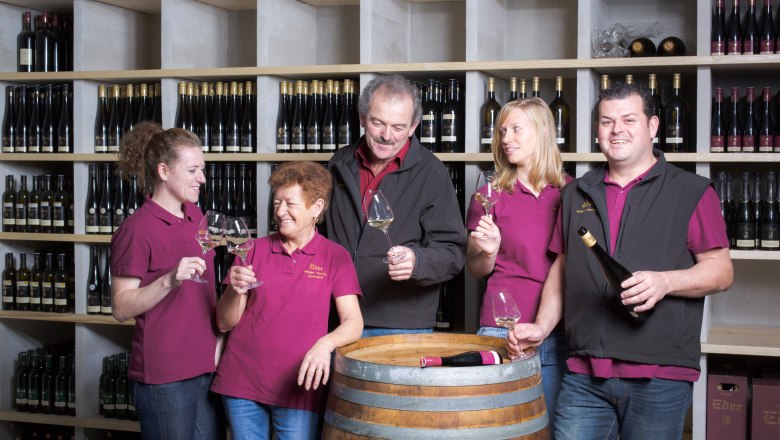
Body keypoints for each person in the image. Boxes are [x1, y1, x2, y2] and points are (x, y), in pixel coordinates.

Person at [508, 82, 734, 439]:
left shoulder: (691, 191)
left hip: (659, 376)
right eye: (606, 121)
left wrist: (665, 282)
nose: (617, 130)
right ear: (597, 130)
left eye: (629, 120)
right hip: (585, 373)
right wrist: (542, 326)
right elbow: (563, 266)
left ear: (653, 126)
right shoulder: (575, 192)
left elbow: (721, 271)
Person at [211, 161, 363, 440]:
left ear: (316, 208)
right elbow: (223, 322)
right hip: (241, 382)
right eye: (277, 203)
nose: (280, 212)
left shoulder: (335, 256)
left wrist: (325, 345)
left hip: (300, 386)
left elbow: (354, 322)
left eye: (290, 204)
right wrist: (234, 290)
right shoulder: (251, 249)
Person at [326, 74, 466, 337]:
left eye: (398, 127)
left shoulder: (432, 173)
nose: (386, 136)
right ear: (362, 118)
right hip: (339, 315)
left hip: (400, 324)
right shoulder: (338, 163)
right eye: (377, 123)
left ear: (413, 127)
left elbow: (454, 252)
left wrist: (418, 261)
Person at [111, 122, 225, 439]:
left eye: (202, 169)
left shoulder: (197, 217)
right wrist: (169, 280)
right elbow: (120, 308)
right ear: (164, 171)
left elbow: (205, 293)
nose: (202, 178)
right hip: (164, 377)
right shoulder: (136, 230)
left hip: (205, 366)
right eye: (192, 170)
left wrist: (217, 344)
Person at [466, 97, 569, 430]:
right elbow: (476, 268)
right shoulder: (488, 195)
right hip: (503, 330)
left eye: (515, 129)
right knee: (500, 430)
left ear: (542, 131)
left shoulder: (571, 193)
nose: (505, 139)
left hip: (560, 333)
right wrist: (489, 252)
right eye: (502, 131)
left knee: (549, 430)